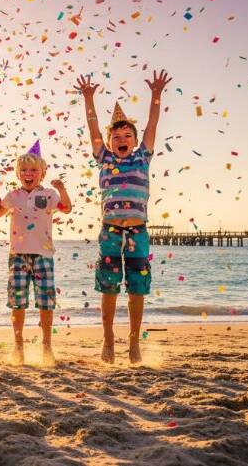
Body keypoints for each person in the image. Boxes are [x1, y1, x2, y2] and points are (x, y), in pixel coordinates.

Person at [74, 70, 171, 364]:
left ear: (136, 139)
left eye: (127, 135)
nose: (122, 139)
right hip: (110, 232)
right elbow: (92, 127)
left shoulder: (143, 157)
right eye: (116, 137)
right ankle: (107, 339)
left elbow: (153, 123)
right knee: (109, 286)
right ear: (109, 141)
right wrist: (89, 98)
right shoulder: (105, 158)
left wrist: (156, 96)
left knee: (137, 288)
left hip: (138, 232)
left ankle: (133, 341)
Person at [0, 141, 71, 366]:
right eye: (24, 170)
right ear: (18, 174)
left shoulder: (48, 194)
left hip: (43, 254)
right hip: (17, 254)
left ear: (42, 172)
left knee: (45, 302)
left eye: (34, 170)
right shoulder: (13, 195)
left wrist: (62, 189)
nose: (29, 174)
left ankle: (47, 345)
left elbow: (67, 208)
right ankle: (18, 346)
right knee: (17, 302)